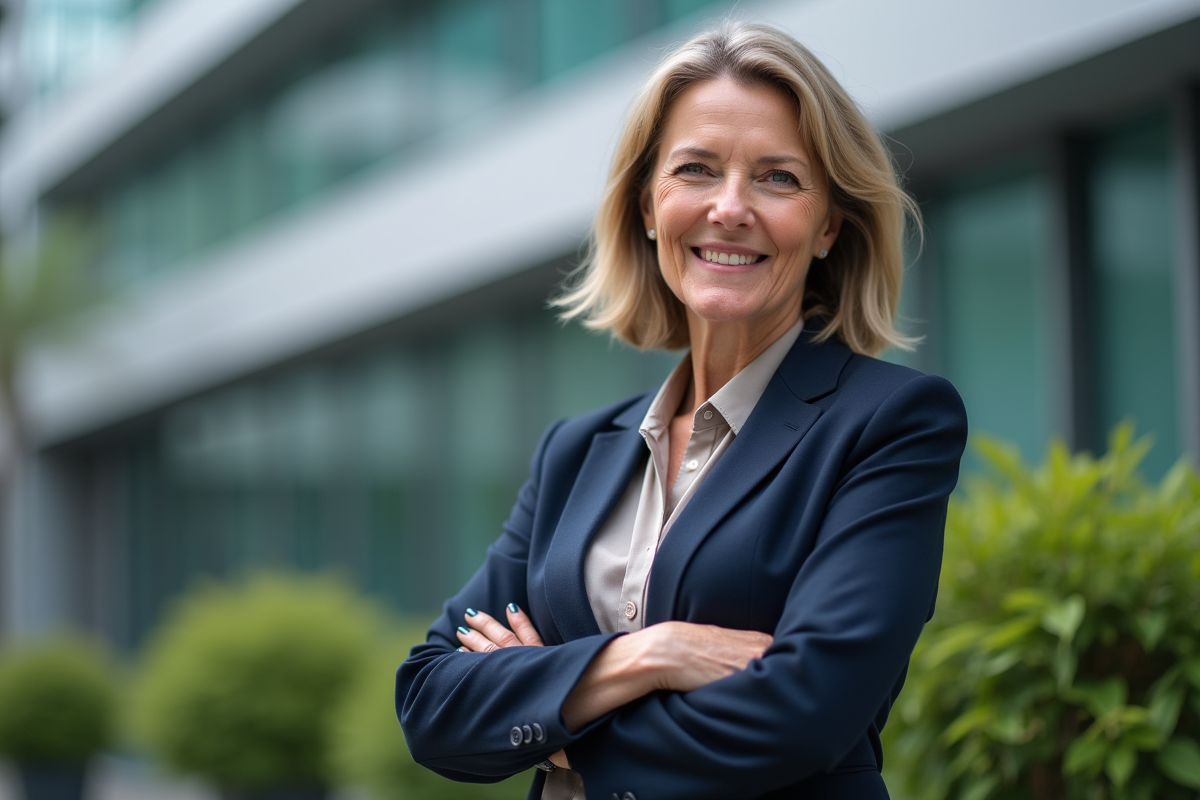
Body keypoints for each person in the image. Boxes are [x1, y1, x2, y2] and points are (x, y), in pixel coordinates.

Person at [396, 21, 967, 800]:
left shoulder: (891, 424)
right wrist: (649, 655)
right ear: (646, 207)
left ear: (830, 224)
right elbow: (430, 702)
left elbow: (804, 714)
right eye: (696, 169)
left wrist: (554, 712)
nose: (730, 208)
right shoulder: (575, 452)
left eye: (778, 178)